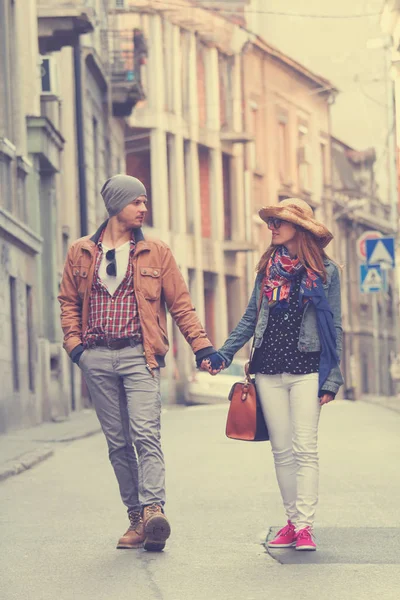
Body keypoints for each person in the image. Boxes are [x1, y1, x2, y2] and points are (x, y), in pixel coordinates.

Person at [58, 174, 218, 552]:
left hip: (139, 355)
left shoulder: (156, 252)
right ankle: (135, 518)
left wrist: (203, 347)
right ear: (116, 205)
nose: (143, 208)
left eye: (145, 202)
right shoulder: (80, 251)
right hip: (96, 356)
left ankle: (153, 511)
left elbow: (180, 304)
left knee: (146, 435)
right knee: (117, 444)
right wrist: (75, 347)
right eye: (137, 202)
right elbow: (67, 301)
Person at [200, 198, 343, 552]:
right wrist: (224, 353)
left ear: (301, 228)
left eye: (279, 221)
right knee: (282, 450)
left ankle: (306, 527)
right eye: (272, 222)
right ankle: (292, 522)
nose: (272, 227)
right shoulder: (268, 270)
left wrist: (333, 377)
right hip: (267, 368)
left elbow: (334, 326)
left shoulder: (327, 272)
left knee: (305, 448)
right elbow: (251, 317)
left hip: (308, 368)